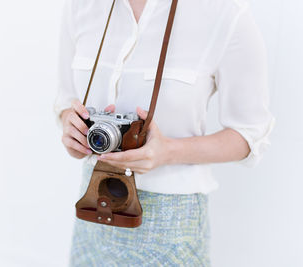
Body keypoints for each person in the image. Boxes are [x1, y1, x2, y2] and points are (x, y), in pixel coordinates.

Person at [54, 0, 275, 265]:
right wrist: (72, 128)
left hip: (172, 223)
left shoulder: (224, 12)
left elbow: (250, 135)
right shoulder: (81, 7)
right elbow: (65, 102)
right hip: (94, 210)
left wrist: (167, 151)